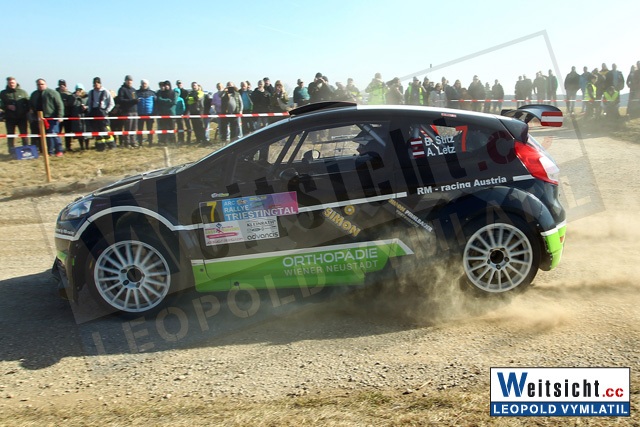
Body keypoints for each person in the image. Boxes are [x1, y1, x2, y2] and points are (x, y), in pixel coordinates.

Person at [29, 78, 65, 156]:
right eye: (38, 84)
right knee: (44, 135)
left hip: (51, 117)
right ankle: (49, 151)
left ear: (46, 84)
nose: (40, 86)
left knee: (53, 134)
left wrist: (60, 116)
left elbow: (60, 105)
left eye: (42, 84)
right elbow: (31, 105)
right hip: (39, 118)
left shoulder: (53, 93)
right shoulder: (34, 94)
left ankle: (59, 150)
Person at [0, 77, 30, 150]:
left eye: (13, 83)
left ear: (16, 83)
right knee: (10, 135)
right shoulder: (3, 93)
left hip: (22, 118)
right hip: (10, 118)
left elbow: (28, 103)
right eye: (10, 83)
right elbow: (1, 103)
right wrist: (7, 106)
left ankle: (26, 149)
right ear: (7, 83)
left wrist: (26, 111)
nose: (11, 84)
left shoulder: (23, 92)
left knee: (24, 134)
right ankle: (11, 150)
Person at [86, 77, 115, 150]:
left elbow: (112, 103)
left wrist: (106, 111)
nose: (96, 84)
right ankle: (100, 146)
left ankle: (111, 145)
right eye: (94, 83)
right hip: (94, 113)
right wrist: (89, 110)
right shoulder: (91, 92)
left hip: (103, 113)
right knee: (96, 130)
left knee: (105, 130)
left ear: (100, 83)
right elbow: (89, 103)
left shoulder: (105, 92)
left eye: (97, 83)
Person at [116, 75, 139, 148]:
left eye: (131, 80)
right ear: (125, 81)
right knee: (128, 128)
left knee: (134, 128)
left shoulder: (133, 90)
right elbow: (120, 100)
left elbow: (135, 98)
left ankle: (133, 142)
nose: (129, 82)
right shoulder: (122, 89)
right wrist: (131, 101)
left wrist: (136, 100)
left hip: (134, 111)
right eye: (128, 80)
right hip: (127, 111)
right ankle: (127, 142)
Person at [56, 80, 76, 151]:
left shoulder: (69, 94)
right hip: (58, 116)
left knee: (68, 132)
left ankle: (68, 147)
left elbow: (71, 104)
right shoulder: (56, 94)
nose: (62, 86)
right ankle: (58, 147)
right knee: (57, 132)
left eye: (63, 85)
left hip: (68, 116)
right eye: (60, 85)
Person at [136, 79, 156, 145]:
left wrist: (154, 113)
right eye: (143, 83)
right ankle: (140, 143)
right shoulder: (137, 93)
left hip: (150, 114)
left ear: (147, 84)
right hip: (140, 114)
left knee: (149, 129)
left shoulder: (152, 93)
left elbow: (156, 103)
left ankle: (150, 143)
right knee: (140, 129)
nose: (144, 85)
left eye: (145, 83)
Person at [70, 83, 88, 150]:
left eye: (80, 89)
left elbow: (90, 104)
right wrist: (75, 97)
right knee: (79, 132)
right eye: (77, 89)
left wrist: (86, 107)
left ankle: (87, 146)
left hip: (85, 117)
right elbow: (71, 104)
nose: (79, 91)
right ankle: (81, 146)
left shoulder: (87, 96)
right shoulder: (73, 97)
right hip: (77, 117)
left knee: (86, 132)